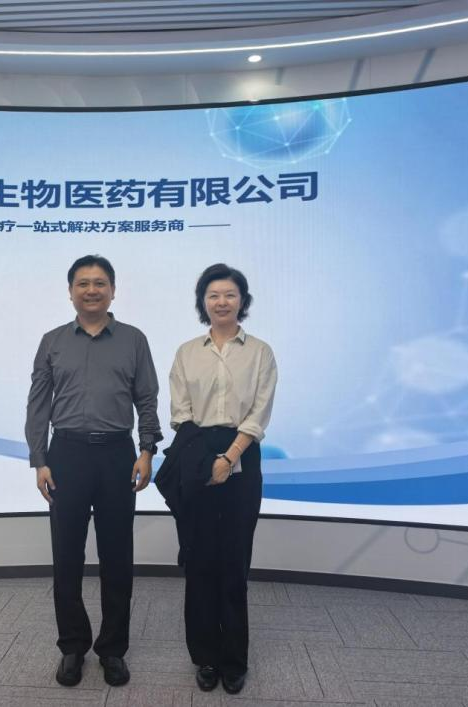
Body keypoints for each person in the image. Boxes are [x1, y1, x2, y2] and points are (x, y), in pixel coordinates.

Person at [25, 254, 162, 688]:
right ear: (70, 292)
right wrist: (40, 460)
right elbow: (38, 406)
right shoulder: (52, 341)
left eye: (99, 283)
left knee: (117, 556)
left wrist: (147, 450)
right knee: (66, 556)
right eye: (82, 283)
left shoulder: (134, 340)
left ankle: (113, 649)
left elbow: (147, 399)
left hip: (118, 455)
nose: (91, 290)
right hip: (66, 454)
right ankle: (72, 646)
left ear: (113, 291)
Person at [167, 263, 278, 694]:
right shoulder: (186, 352)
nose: (221, 302)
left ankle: (233, 659)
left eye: (230, 294)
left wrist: (228, 459)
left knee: (233, 562)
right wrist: (205, 463)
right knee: (198, 561)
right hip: (195, 452)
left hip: (242, 454)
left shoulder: (260, 352)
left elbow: (259, 413)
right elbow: (180, 413)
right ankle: (205, 657)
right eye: (213, 295)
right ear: (203, 302)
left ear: (242, 301)